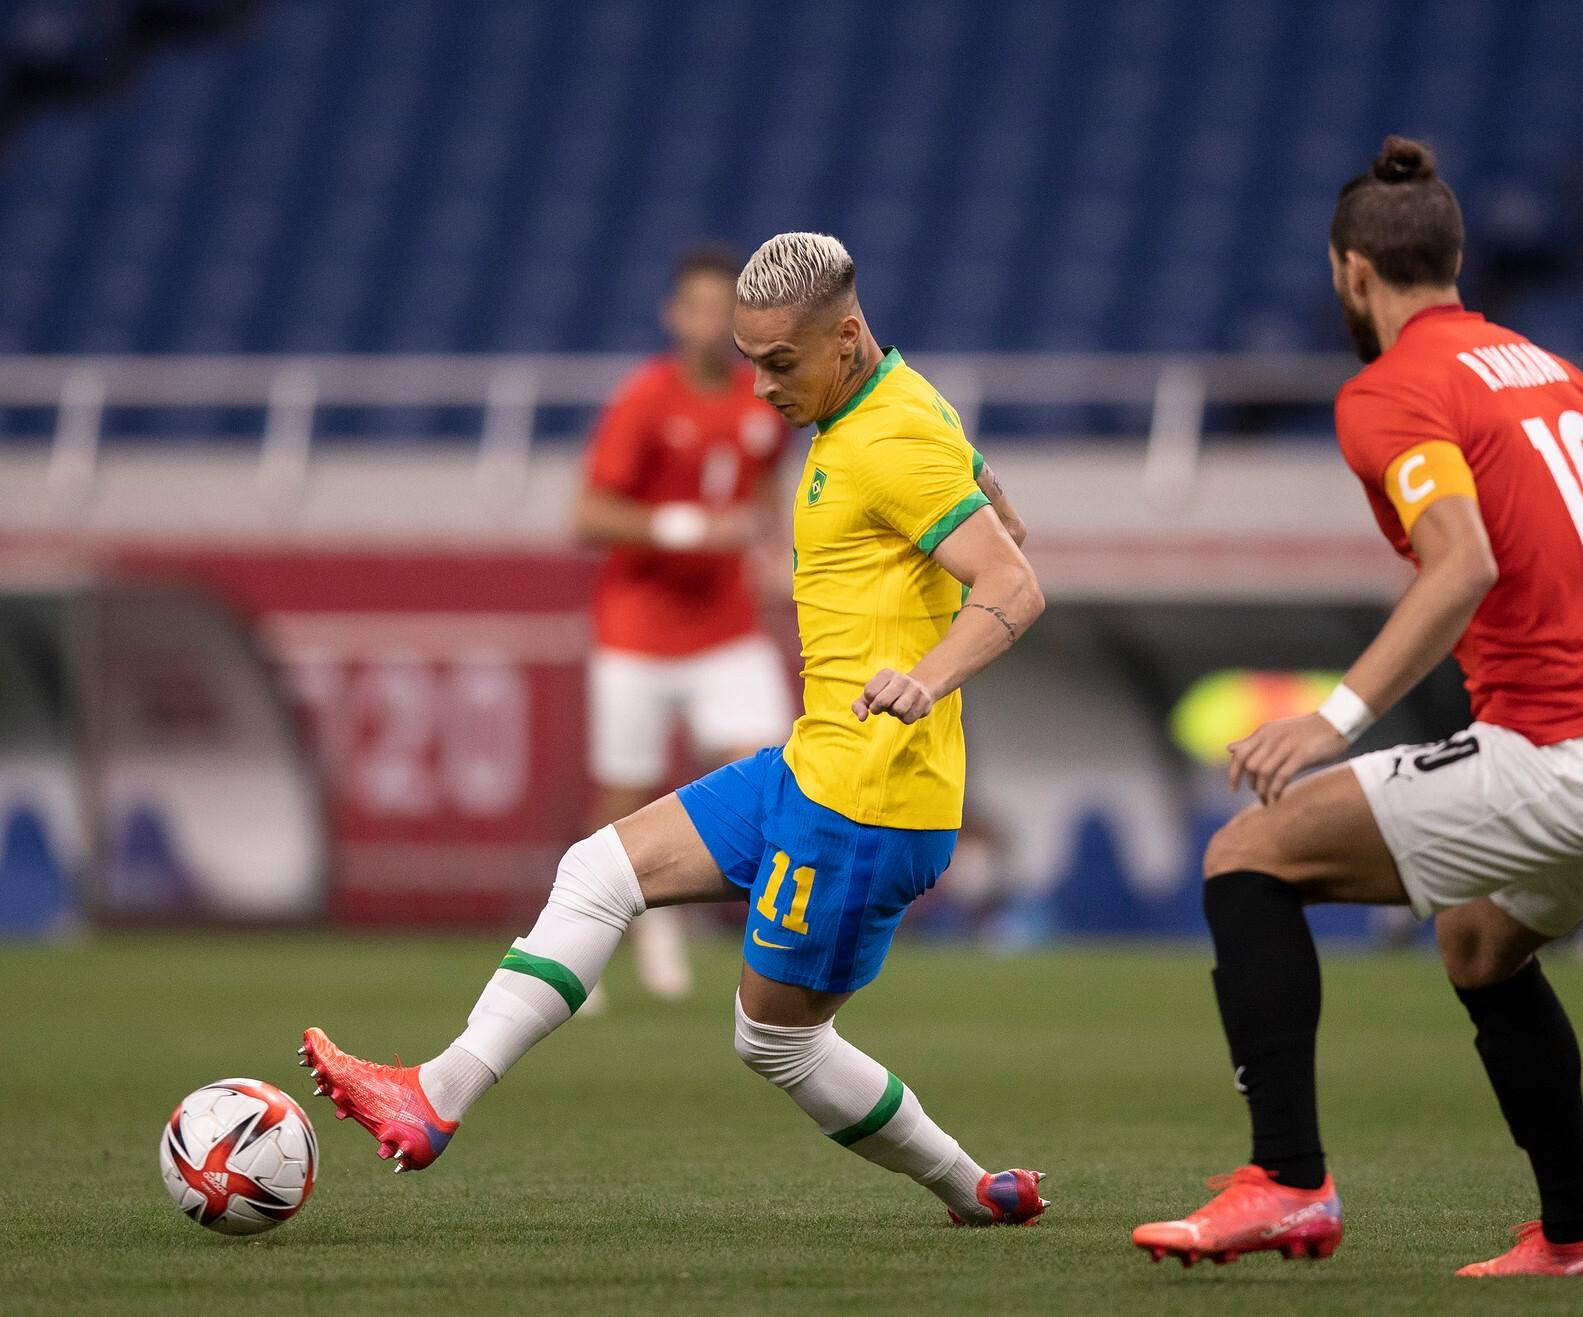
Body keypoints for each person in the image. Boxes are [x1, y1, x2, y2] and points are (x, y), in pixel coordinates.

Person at [1132, 137, 1583, 1276]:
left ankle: (1286, 1182)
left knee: (1246, 858)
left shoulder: (1385, 392)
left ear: (1348, 275)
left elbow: (1455, 564)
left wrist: (1334, 718)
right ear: (1453, 260)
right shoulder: (1535, 365)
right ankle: (1578, 1234)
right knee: (1476, 945)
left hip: (1556, 750)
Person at [302, 232, 1050, 1226]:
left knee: (774, 1042)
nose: (759, 393)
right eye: (749, 364)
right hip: (813, 766)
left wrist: (925, 676)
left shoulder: (889, 436)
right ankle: (433, 1096)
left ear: (846, 336)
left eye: (779, 364)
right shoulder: (892, 398)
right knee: (595, 870)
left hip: (865, 804)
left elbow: (1015, 583)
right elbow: (995, 508)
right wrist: (988, 502)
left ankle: (972, 1189)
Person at [573, 244, 794, 1007]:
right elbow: (588, 514)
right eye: (694, 306)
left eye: (719, 308)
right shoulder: (643, 399)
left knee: (774, 769)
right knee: (623, 789)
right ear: (673, 314)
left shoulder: (761, 399)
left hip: (725, 627)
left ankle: (683, 913)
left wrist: (775, 543)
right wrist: (685, 528)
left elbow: (768, 485)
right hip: (637, 630)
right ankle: (595, 928)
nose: (707, 322)